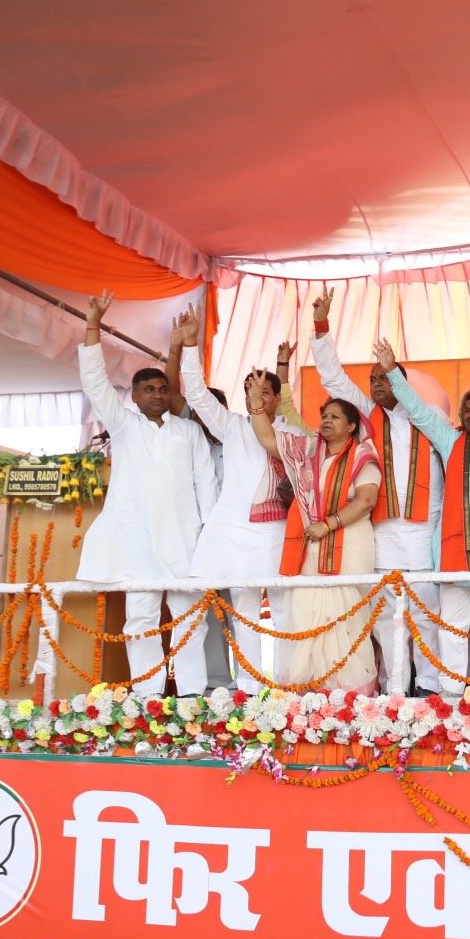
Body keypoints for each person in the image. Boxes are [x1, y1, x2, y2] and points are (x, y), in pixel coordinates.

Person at [293, 289, 444, 694]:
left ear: (402, 382)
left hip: (423, 533)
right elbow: (333, 378)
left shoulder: (430, 420)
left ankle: (429, 689)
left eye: (385, 378)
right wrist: (321, 329)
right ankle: (397, 689)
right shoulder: (368, 417)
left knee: (428, 615)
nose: (376, 384)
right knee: (383, 617)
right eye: (373, 379)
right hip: (380, 534)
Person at [72, 291, 216, 696]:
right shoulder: (123, 425)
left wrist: (207, 532)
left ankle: (191, 695)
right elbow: (93, 381)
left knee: (191, 619)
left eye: (162, 389)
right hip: (136, 540)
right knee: (140, 618)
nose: (156, 394)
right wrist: (92, 326)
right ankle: (148, 696)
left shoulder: (188, 431)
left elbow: (206, 482)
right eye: (148, 390)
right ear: (133, 396)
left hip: (185, 536)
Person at [372, 339, 470, 692]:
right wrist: (394, 371)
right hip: (454, 551)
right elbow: (418, 409)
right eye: (466, 410)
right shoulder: (450, 441)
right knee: (452, 626)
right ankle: (453, 694)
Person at [173, 309, 286, 694]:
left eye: (265, 393)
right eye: (250, 393)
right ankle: (245, 688)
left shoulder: (290, 431)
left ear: (278, 398)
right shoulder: (232, 426)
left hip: (275, 530)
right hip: (231, 529)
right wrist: (190, 346)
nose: (255, 399)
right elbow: (197, 396)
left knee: (284, 613)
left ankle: (287, 688)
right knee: (237, 608)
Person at [249, 381, 382, 692]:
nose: (326, 420)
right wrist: (257, 404)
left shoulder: (364, 454)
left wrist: (329, 524)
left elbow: (366, 500)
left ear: (352, 425)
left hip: (350, 542)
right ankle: (310, 688)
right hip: (311, 543)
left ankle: (350, 691)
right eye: (324, 415)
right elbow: (267, 438)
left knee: (346, 616)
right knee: (307, 612)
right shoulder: (307, 450)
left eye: (335, 417)